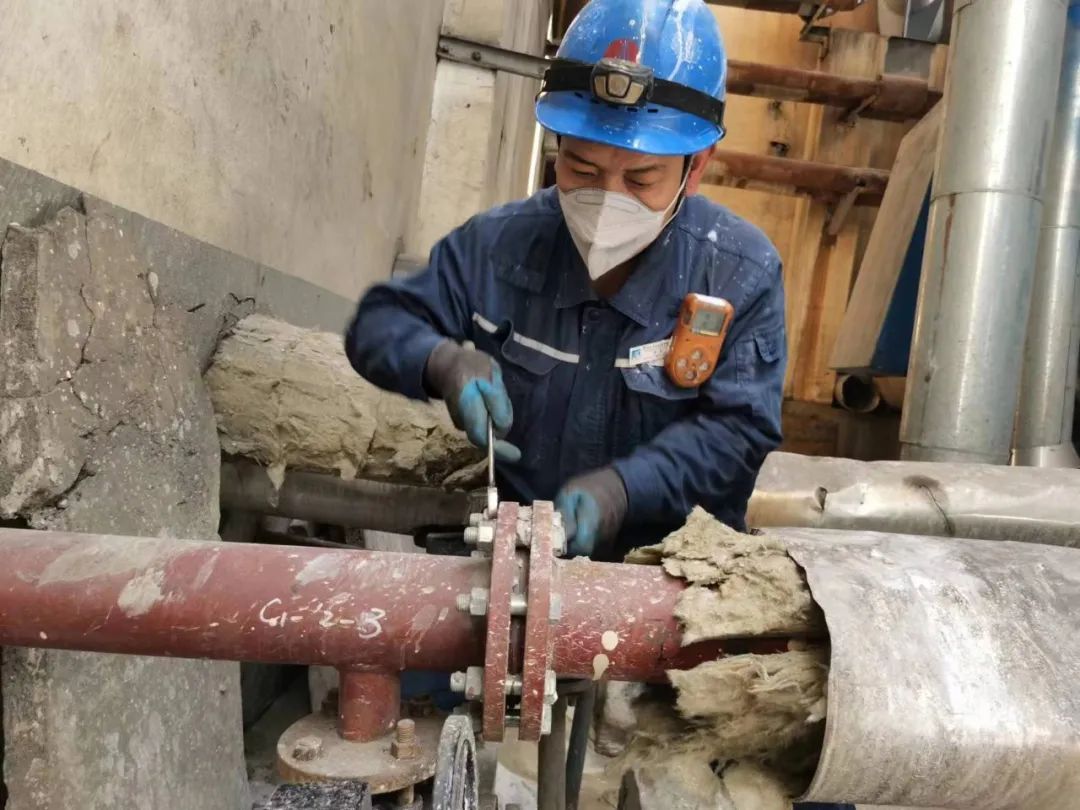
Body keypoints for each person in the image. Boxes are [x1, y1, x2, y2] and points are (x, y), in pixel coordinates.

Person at [346, 0, 785, 562]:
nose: (607, 199)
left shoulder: (740, 272)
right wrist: (441, 363)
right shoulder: (500, 246)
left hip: (671, 576)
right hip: (519, 560)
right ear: (557, 145)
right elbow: (379, 322)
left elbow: (741, 433)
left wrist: (625, 491)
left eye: (641, 179)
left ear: (695, 167)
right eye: (581, 168)